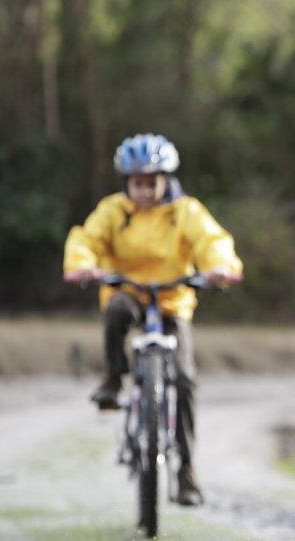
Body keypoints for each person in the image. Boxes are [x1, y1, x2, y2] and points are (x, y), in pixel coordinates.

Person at [63, 133, 243, 507]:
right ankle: (114, 379)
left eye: (152, 182)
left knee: (186, 378)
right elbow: (87, 238)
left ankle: (187, 471)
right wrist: (82, 265)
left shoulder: (186, 211)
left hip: (173, 299)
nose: (145, 191)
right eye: (137, 183)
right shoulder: (113, 210)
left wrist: (220, 268)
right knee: (114, 311)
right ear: (126, 182)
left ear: (166, 180)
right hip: (128, 292)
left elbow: (211, 240)